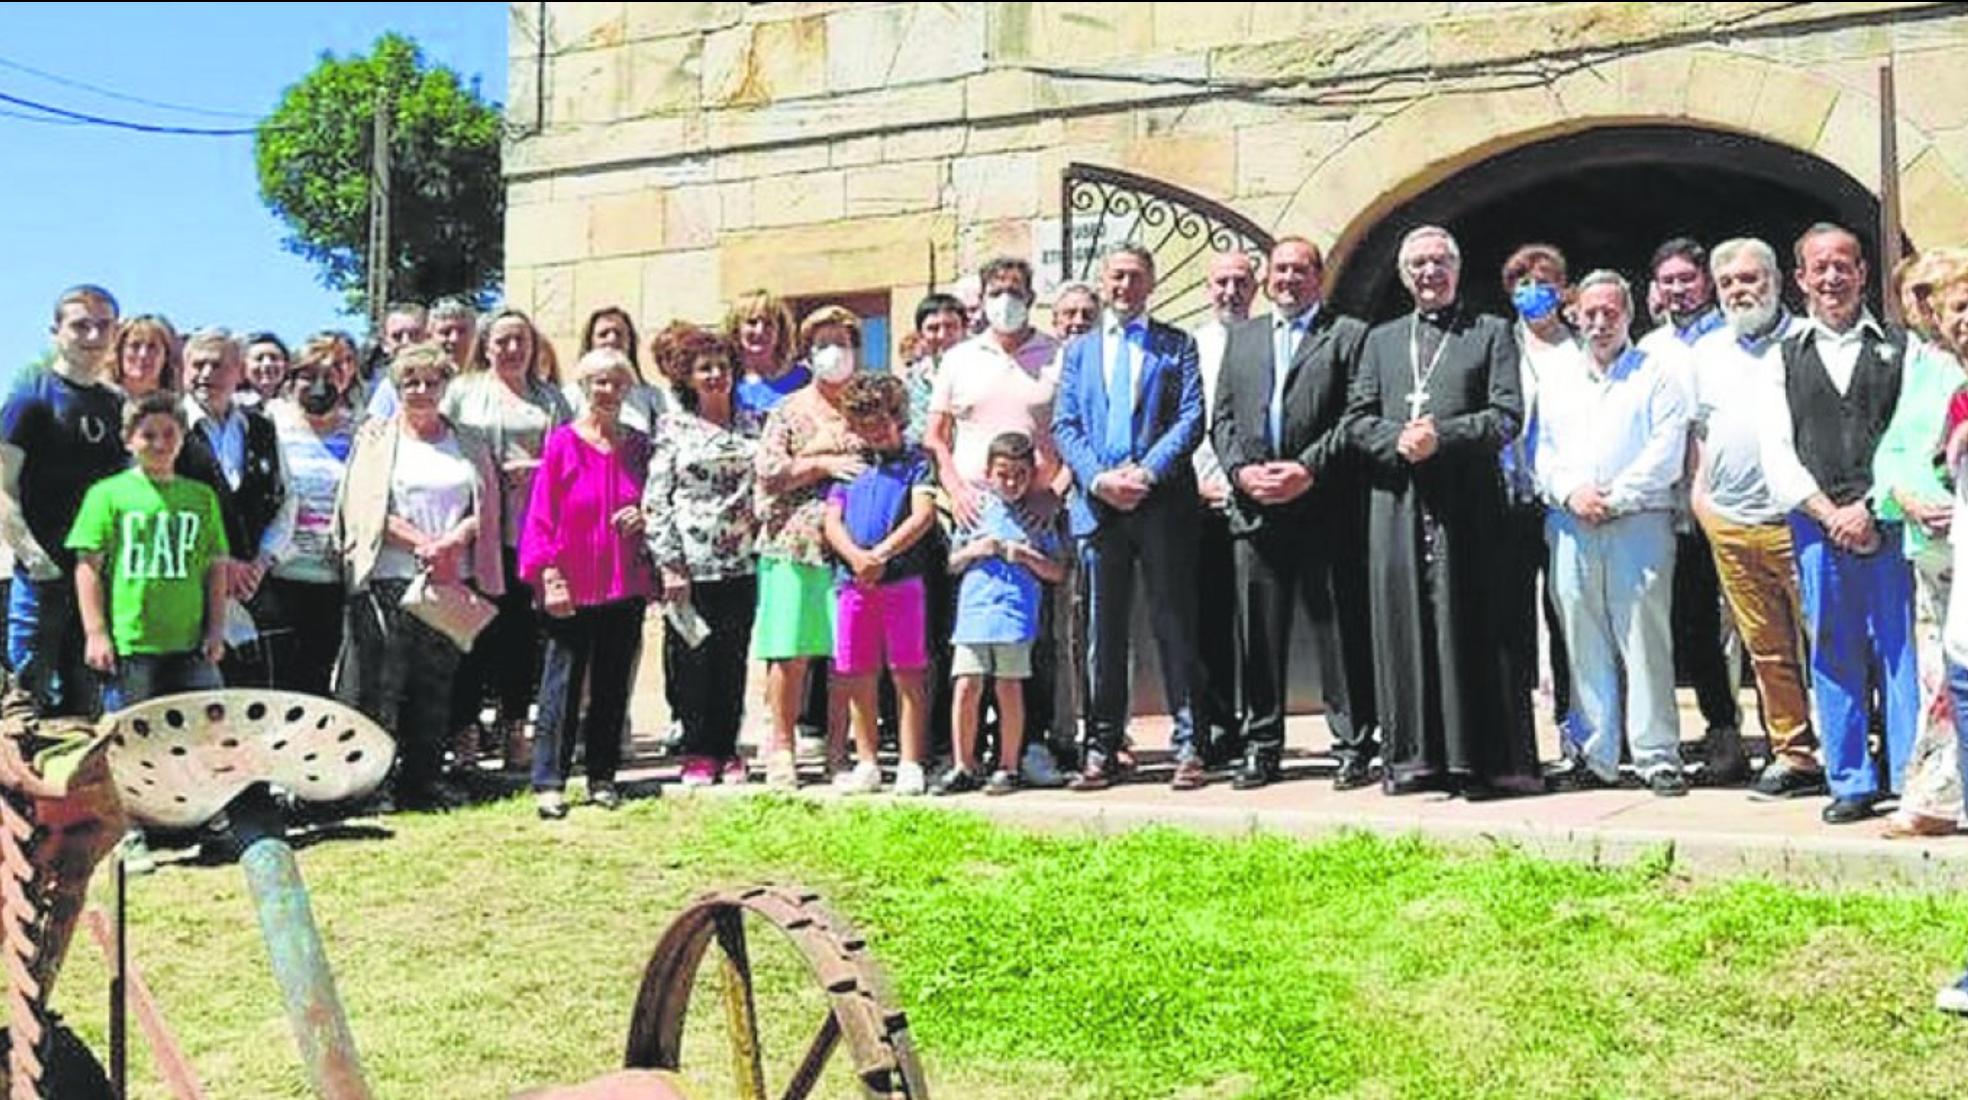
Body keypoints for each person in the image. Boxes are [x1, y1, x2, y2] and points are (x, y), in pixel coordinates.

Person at [1344, 226, 1541, 797]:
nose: (1429, 274)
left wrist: (1444, 436)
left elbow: (1507, 416)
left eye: (1439, 262)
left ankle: (1478, 761)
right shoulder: (1381, 341)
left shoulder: (1491, 333)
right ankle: (1415, 760)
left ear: (1456, 269)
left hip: (1470, 507)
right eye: (1418, 265)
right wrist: (1396, 440)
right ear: (1405, 276)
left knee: (1471, 627)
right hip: (1398, 503)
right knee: (1406, 627)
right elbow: (1357, 418)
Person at [1759, 223, 1918, 825]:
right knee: (1833, 649)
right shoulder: (1781, 359)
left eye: (1843, 266)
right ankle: (1849, 778)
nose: (1832, 278)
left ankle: (1908, 776)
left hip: (1890, 521)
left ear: (1863, 274)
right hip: (1817, 526)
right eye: (1819, 267)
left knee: (1901, 648)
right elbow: (1777, 451)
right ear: (1800, 279)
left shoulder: (1901, 350)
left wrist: (1872, 507)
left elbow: (1911, 437)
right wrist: (1830, 514)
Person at [1213, 236, 1377, 790]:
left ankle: (1353, 744)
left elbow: (1357, 415)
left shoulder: (1349, 336)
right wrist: (1240, 473)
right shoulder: (1245, 339)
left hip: (1324, 505)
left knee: (1338, 630)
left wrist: (1306, 469)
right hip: (1256, 511)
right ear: (1267, 279)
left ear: (1319, 277)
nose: (1288, 279)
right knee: (1258, 634)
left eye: (1299, 270)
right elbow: (1224, 420)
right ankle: (1261, 745)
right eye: (1280, 270)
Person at [1051, 243, 1207, 791]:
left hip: (1160, 504)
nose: (1125, 287)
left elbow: (1191, 418)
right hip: (1098, 508)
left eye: (1135, 277)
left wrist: (1145, 473)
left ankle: (1190, 744)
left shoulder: (1177, 345)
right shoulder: (1079, 352)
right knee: (1102, 633)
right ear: (1102, 281)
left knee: (1174, 625)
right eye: (1116, 277)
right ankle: (1102, 746)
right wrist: (1098, 478)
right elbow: (1065, 424)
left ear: (1151, 283)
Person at [1536, 271, 1692, 796]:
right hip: (1571, 522)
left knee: (1644, 638)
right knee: (1581, 637)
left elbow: (1666, 449)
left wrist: (1615, 497)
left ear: (1629, 315)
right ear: (1575, 315)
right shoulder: (1557, 379)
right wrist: (1571, 492)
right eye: (1590, 312)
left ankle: (1656, 756)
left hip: (1639, 520)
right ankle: (1595, 753)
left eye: (1611, 312)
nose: (1600, 322)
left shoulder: (1658, 375)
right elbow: (1543, 451)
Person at [333, 342, 505, 811]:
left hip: (450, 579)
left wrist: (451, 543)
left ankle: (425, 780)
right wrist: (421, 543)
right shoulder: (375, 438)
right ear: (397, 387)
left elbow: (485, 508)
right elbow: (364, 505)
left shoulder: (468, 440)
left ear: (445, 386)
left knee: (436, 684)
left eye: (431, 382)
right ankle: (376, 787)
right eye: (411, 382)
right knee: (383, 686)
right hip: (390, 575)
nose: (422, 390)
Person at [926, 258, 1072, 784]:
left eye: (1014, 290)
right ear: (981, 298)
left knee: (1034, 640)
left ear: (1032, 296)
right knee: (965, 641)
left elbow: (1075, 432)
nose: (1004, 299)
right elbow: (936, 437)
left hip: (1036, 512)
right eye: (995, 291)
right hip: (972, 513)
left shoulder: (1058, 355)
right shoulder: (960, 358)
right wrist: (958, 490)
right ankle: (964, 753)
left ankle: (1028, 746)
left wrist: (1055, 495)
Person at [1689, 238, 1824, 800]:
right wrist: (1703, 504)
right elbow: (1700, 434)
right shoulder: (1708, 352)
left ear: (1778, 281)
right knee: (1765, 649)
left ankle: (1847, 751)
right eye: (1728, 283)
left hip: (1801, 520)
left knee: (1828, 642)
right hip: (1732, 522)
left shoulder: (1806, 341)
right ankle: (1792, 753)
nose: (1740, 290)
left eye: (1751, 278)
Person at [519, 349, 652, 819]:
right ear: (582, 387)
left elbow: (660, 499)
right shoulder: (561, 444)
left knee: (614, 683)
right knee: (562, 683)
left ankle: (602, 777)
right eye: (598, 382)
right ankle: (549, 781)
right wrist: (549, 575)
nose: (608, 391)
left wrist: (645, 515)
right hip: (569, 584)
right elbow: (541, 515)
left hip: (624, 583)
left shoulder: (639, 446)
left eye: (617, 383)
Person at [443, 309, 572, 770]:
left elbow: (568, 455)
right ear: (486, 345)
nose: (512, 349)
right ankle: (464, 730)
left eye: (521, 340)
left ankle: (516, 726)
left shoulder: (551, 398)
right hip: (478, 530)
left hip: (531, 530)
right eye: (503, 341)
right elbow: (444, 448)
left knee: (520, 635)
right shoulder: (463, 392)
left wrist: (537, 473)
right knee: (472, 633)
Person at [1638, 238, 1746, 780]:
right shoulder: (1650, 348)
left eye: (1687, 278)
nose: (1678, 289)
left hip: (1737, 500)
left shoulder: (1734, 336)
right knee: (1697, 622)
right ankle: (1722, 731)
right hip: (1676, 508)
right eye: (1668, 280)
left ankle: (1793, 737)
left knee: (1762, 624)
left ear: (1706, 280)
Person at [752, 305, 870, 789]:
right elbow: (769, 471)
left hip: (852, 548)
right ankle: (782, 746)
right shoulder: (789, 409)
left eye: (841, 343)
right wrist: (821, 463)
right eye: (822, 344)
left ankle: (838, 751)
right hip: (793, 544)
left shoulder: (867, 406)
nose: (833, 353)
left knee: (846, 653)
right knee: (789, 651)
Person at [2, 285, 130, 716]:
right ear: (56, 331)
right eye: (80, 325)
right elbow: (3, 487)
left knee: (91, 698)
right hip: (43, 576)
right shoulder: (30, 400)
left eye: (104, 325)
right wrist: (33, 556)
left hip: (99, 575)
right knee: (28, 698)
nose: (93, 335)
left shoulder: (118, 405)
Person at [1875, 250, 1968, 836]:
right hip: (1928, 543)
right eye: (1920, 294)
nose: (1930, 307)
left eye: (1942, 293)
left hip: (1958, 540)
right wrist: (1902, 495)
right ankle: (1937, 795)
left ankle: (1937, 800)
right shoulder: (1924, 365)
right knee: (1943, 674)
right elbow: (1893, 450)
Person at [644, 328, 761, 788]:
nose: (716, 376)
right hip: (690, 565)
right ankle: (697, 749)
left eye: (722, 367)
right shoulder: (674, 427)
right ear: (688, 378)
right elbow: (657, 499)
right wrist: (669, 563)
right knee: (692, 658)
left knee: (732, 658)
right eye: (705, 369)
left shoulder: (755, 423)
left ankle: (727, 748)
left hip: (742, 562)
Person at [68, 392, 227, 713]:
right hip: (132, 645)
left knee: (207, 724)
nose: (160, 443)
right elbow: (88, 568)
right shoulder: (107, 494)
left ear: (183, 438)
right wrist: (96, 633)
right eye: (148, 435)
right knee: (128, 732)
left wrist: (215, 630)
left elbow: (216, 566)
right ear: (128, 440)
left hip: (190, 644)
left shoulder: (201, 496)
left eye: (169, 434)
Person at [822, 373, 937, 796]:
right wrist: (855, 557)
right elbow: (831, 520)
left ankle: (910, 762)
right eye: (863, 423)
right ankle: (866, 761)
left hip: (902, 580)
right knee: (857, 671)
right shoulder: (849, 467)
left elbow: (922, 515)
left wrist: (881, 555)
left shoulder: (918, 462)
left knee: (907, 671)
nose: (873, 430)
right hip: (852, 583)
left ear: (898, 417)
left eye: (881, 421)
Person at [933, 431, 1067, 795]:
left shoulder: (1036, 518)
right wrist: (977, 549)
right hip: (974, 616)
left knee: (1009, 688)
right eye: (1003, 474)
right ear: (989, 473)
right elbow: (951, 563)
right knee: (966, 685)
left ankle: (1008, 764)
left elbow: (1057, 570)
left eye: (1020, 475)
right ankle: (965, 764)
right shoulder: (975, 510)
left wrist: (1024, 555)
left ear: (1032, 475)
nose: (1011, 483)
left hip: (1014, 617)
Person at [1499, 244, 1583, 744]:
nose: (1533, 292)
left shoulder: (1580, 347)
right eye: (1522, 283)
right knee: (1511, 616)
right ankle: (1513, 737)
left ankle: (1576, 727)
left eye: (1544, 283)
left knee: (1568, 616)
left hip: (1565, 501)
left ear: (1563, 290)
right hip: (1510, 497)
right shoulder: (1498, 345)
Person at [174, 328, 287, 689]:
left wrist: (262, 561)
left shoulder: (263, 428)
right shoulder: (167, 427)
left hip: (253, 591)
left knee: (252, 702)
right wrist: (222, 568)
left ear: (239, 372)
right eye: (198, 365)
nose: (206, 374)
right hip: (186, 593)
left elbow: (287, 499)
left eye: (218, 365)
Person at [259, 336, 358, 696]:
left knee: (317, 681)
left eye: (331, 373)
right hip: (275, 572)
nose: (319, 384)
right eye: (309, 374)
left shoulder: (360, 431)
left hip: (332, 576)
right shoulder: (269, 422)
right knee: (276, 681)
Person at [1190, 250, 1256, 766]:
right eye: (1220, 283)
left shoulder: (1264, 341)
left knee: (1256, 619)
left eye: (1240, 282)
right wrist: (1195, 484)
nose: (1230, 292)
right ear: (1207, 288)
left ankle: (1261, 724)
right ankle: (1215, 726)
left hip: (1257, 497)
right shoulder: (1193, 345)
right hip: (1199, 500)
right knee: (1207, 620)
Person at [568, 306, 668, 434]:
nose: (612, 339)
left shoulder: (653, 398)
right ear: (590, 342)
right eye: (603, 334)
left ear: (630, 343)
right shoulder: (570, 397)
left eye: (619, 334)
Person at [729, 290, 808, 419]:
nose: (760, 331)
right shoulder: (726, 381)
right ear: (735, 329)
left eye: (768, 324)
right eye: (752, 322)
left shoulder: (803, 378)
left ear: (780, 331)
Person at [110, 314, 181, 399]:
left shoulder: (176, 407)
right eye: (135, 346)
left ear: (165, 356)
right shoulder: (97, 399)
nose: (143, 354)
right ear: (119, 352)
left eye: (152, 347)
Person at [240, 332, 290, 408]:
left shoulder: (294, 407)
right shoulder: (233, 405)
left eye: (274, 358)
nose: (267, 364)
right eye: (259, 358)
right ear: (244, 367)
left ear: (286, 366)